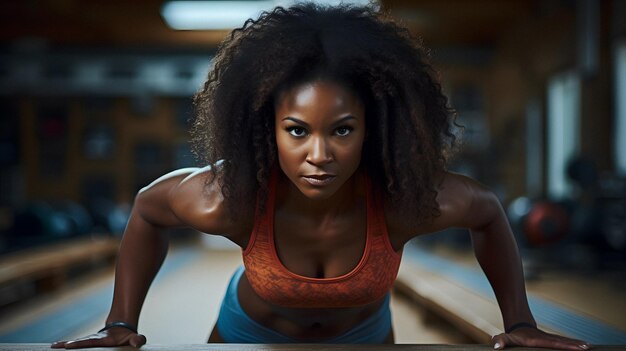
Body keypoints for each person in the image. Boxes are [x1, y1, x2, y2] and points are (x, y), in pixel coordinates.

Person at [52, 2, 591, 349]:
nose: (319, 154)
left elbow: (488, 211)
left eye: (341, 130)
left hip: (366, 336)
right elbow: (149, 207)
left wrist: (518, 322)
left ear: (373, 129)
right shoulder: (231, 200)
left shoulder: (404, 203)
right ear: (267, 129)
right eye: (296, 130)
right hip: (249, 334)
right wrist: (121, 321)